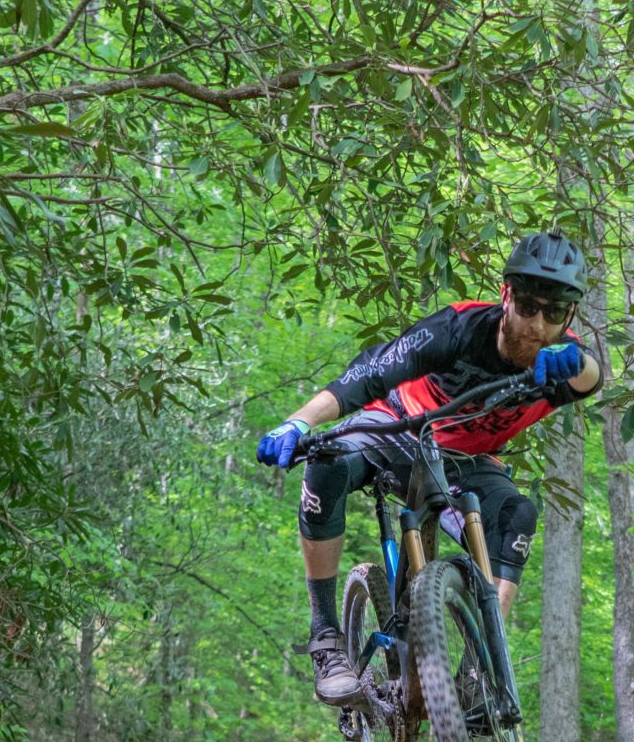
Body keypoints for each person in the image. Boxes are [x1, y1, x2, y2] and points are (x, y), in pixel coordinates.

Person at [255, 231, 604, 702]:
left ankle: (480, 673)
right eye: (527, 306)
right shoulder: (459, 328)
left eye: (555, 313)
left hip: (467, 461)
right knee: (327, 462)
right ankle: (326, 637)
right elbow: (367, 375)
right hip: (397, 430)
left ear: (570, 316)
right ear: (506, 296)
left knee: (516, 517)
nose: (537, 325)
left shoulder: (561, 363)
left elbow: (594, 377)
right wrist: (297, 422)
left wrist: (578, 359)